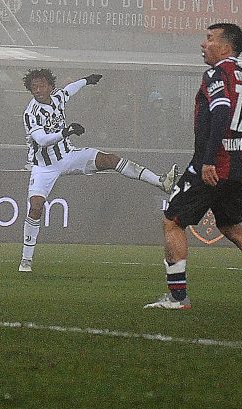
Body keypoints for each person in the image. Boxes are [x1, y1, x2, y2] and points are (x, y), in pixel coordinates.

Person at [18, 69, 177, 273]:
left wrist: (87, 80)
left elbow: (69, 90)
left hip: (68, 156)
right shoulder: (31, 113)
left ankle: (161, 182)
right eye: (34, 87)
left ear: (50, 86)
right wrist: (66, 132)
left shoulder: (58, 97)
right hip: (44, 167)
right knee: (36, 207)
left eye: (41, 85)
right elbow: (41, 140)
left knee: (110, 159)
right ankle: (26, 260)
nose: (38, 90)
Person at [145, 23, 242, 309]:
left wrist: (208, 161)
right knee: (231, 225)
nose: (203, 45)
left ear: (226, 48)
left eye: (209, 39)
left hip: (211, 167)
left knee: (173, 220)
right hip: (236, 168)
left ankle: (177, 298)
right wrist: (241, 159)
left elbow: (220, 112)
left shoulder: (217, 74)